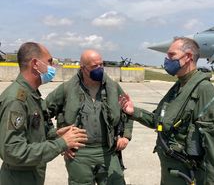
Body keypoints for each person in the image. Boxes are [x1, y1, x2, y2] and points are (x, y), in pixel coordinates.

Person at [120, 37, 214, 185]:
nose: (166, 59)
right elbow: (159, 121)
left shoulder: (203, 90)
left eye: (171, 55)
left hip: (188, 175)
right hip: (171, 174)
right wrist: (133, 112)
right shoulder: (179, 87)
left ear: (188, 57)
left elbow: (213, 145)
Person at [0, 42, 87, 185]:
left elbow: (34, 135)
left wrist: (56, 134)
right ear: (35, 64)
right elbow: (13, 151)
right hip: (18, 179)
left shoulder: (32, 96)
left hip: (32, 176)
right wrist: (61, 144)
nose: (53, 67)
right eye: (49, 62)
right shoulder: (16, 100)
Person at [45, 49, 133, 185]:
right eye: (94, 66)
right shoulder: (67, 89)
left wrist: (126, 136)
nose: (99, 69)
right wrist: (59, 141)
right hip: (79, 154)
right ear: (83, 68)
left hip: (108, 151)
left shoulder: (113, 87)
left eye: (101, 64)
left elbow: (127, 110)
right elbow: (41, 114)